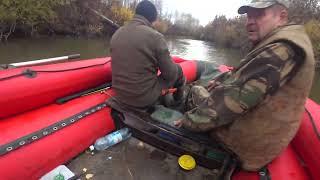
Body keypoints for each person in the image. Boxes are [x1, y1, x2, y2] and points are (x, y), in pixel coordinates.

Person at [175, 0, 315, 171]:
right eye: (249, 15)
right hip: (260, 133)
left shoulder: (281, 50)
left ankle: (177, 119)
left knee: (195, 90)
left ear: (281, 16)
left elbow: (230, 103)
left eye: (259, 14)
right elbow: (244, 74)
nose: (250, 20)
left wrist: (188, 120)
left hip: (244, 146)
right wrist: (219, 81)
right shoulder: (286, 40)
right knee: (209, 90)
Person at [110, 0, 184, 110]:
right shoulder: (156, 37)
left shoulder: (116, 33)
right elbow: (170, 74)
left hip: (119, 94)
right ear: (153, 20)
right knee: (178, 70)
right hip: (143, 99)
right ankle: (178, 103)